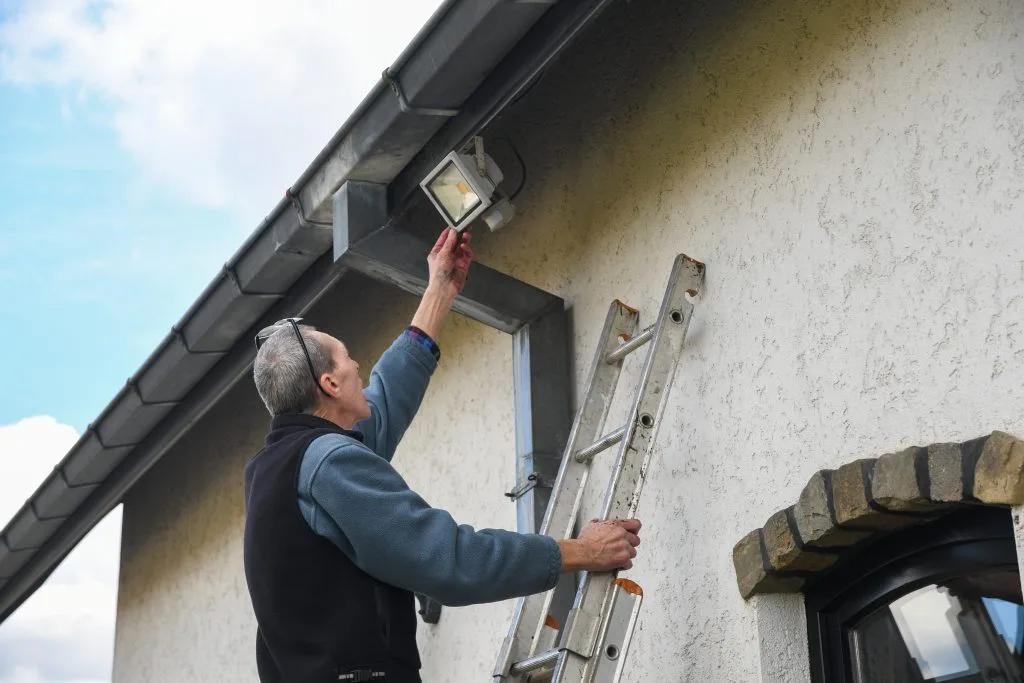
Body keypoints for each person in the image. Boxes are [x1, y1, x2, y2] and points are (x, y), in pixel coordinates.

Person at [242, 227, 642, 683]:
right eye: (348, 358)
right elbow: (451, 560)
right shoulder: (328, 464)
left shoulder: (280, 467)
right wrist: (582, 551)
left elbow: (389, 396)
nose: (358, 366)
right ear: (330, 386)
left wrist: (440, 289)